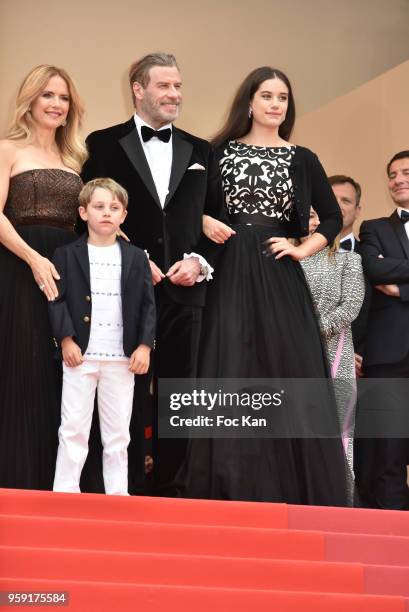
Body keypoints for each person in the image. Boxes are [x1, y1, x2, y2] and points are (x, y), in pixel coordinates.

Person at [176, 66, 350, 506]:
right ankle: (231, 486)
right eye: (268, 96)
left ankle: (291, 491)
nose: (276, 105)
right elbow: (185, 208)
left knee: (287, 370)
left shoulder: (302, 157)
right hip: (230, 269)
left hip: (278, 273)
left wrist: (301, 249)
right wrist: (203, 220)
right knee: (231, 368)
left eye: (283, 98)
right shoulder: (217, 152)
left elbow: (331, 217)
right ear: (249, 102)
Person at [81, 52, 221, 496]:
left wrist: (198, 262)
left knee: (182, 394)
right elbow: (88, 210)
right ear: (138, 89)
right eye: (164, 86)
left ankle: (174, 493)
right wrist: (129, 254)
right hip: (122, 286)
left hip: (187, 289)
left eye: (178, 86)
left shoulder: (202, 150)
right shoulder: (102, 143)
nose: (174, 94)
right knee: (125, 389)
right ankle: (123, 490)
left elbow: (215, 217)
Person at [0, 65, 87, 490]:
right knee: (23, 361)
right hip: (18, 267)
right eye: (48, 96)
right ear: (30, 101)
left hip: (66, 269)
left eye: (64, 98)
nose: (56, 104)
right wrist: (33, 259)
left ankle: (58, 481)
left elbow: (94, 219)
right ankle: (16, 477)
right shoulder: (7, 149)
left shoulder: (75, 160)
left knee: (63, 367)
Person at [49, 178, 155, 494]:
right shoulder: (66, 254)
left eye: (114, 207)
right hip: (80, 356)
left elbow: (149, 306)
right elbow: (57, 300)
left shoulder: (137, 257)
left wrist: (145, 346)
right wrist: (66, 340)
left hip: (122, 359)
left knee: (118, 434)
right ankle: (65, 493)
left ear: (123, 215)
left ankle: (117, 496)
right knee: (73, 429)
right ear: (83, 212)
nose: (106, 213)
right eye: (98, 206)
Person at [357, 150, 409, 510]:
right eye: (392, 175)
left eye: (405, 172)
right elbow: (374, 272)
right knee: (388, 445)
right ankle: (393, 524)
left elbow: (388, 275)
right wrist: (385, 274)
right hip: (390, 352)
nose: (397, 180)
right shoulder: (374, 228)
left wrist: (401, 285)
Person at [300, 209, 365, 479]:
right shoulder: (281, 261)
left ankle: (339, 501)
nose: (314, 222)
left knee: (337, 431)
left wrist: (313, 331)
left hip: (335, 353)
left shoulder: (348, 260)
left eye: (319, 215)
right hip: (293, 353)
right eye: (306, 215)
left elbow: (350, 306)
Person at [329, 175, 371, 375]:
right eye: (330, 198)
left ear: (357, 210)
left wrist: (361, 355)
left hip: (359, 365)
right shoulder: (296, 252)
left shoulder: (370, 256)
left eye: (345, 200)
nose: (337, 206)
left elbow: (380, 312)